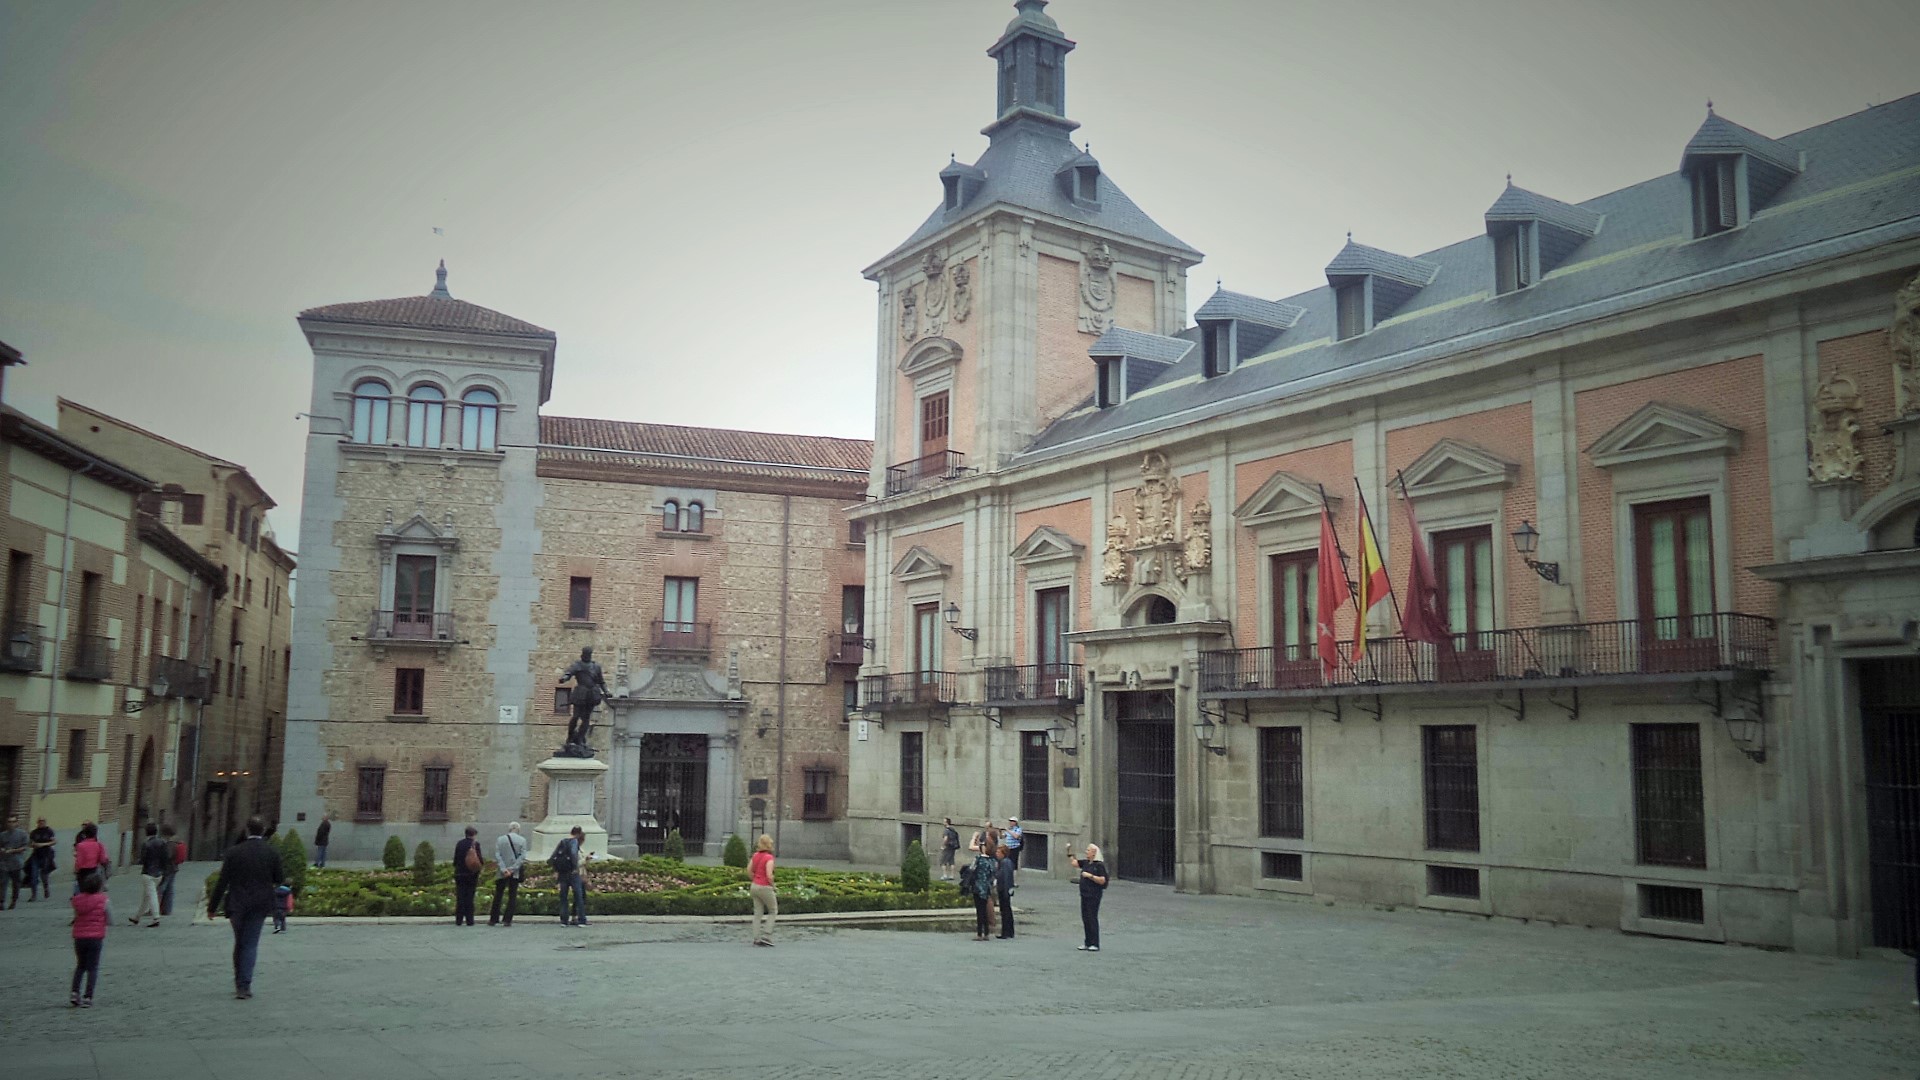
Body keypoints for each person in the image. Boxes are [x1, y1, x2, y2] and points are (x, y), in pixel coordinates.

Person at [206, 816, 284, 1000]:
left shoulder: (233, 852)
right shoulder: (271, 852)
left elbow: (222, 882)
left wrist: (212, 907)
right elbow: (279, 878)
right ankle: (245, 985)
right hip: (260, 904)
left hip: (237, 903)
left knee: (240, 942)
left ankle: (239, 982)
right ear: (263, 831)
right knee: (250, 943)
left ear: (247, 830)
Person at [69, 870, 110, 1008]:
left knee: (80, 965)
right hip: (96, 937)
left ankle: (74, 992)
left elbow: (76, 916)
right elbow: (110, 919)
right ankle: (88, 996)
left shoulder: (77, 900)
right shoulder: (104, 900)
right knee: (93, 967)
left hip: (79, 937)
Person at [1068, 843, 1108, 952]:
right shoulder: (1086, 863)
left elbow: (1102, 880)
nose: (1086, 852)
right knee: (1085, 918)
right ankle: (1087, 942)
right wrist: (1069, 852)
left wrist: (1090, 876)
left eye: (1088, 850)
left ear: (1094, 853)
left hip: (1094, 895)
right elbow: (1075, 863)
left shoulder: (1099, 865)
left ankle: (1095, 943)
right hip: (1084, 894)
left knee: (1092, 917)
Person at [131, 822, 170, 927]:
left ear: (146, 832)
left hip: (148, 873)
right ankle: (137, 917)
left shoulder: (146, 843)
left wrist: (139, 861)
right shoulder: (162, 842)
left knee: (152, 895)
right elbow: (166, 858)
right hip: (159, 873)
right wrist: (164, 870)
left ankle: (156, 917)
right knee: (146, 897)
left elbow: (143, 859)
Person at [490, 822, 526, 927]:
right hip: (514, 873)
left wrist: (504, 869)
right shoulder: (522, 840)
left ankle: (493, 919)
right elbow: (522, 857)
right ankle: (507, 920)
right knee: (512, 896)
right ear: (518, 829)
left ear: (509, 829)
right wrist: (512, 869)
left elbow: (498, 855)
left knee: (498, 895)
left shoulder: (500, 839)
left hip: (502, 872)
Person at [552, 826, 587, 926]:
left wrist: (556, 870)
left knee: (564, 897)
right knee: (578, 896)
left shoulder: (563, 841)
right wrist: (575, 867)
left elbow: (554, 856)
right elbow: (573, 855)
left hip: (563, 872)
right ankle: (581, 919)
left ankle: (564, 920)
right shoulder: (574, 842)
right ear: (578, 834)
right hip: (572, 873)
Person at [967, 835, 999, 941]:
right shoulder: (993, 861)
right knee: (985, 910)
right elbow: (994, 874)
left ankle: (979, 933)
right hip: (987, 887)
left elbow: (971, 869)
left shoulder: (978, 859)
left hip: (977, 886)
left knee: (979, 911)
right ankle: (986, 933)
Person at [749, 834, 777, 947]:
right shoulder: (769, 858)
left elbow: (749, 870)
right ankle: (767, 935)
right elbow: (769, 875)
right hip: (765, 887)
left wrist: (755, 879)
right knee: (773, 910)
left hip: (754, 886)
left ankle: (756, 938)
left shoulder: (755, 855)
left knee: (758, 913)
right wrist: (773, 885)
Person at [452, 825, 483, 927]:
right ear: (473, 835)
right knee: (470, 897)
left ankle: (459, 920)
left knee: (460, 896)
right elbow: (480, 860)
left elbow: (455, 860)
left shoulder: (459, 843)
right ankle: (470, 920)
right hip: (471, 874)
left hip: (460, 873)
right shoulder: (475, 844)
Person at [71, 823, 107, 896]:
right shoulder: (99, 845)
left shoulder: (80, 845)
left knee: (83, 892)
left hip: (83, 872)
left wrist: (76, 870)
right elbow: (103, 860)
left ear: (85, 834)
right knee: (94, 891)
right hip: (94, 870)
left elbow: (79, 862)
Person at [0, 815, 27, 909]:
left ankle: (14, 900)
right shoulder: (2, 835)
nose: (11, 824)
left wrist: (14, 850)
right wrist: (2, 850)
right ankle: (1, 901)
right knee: (3, 882)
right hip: (4, 863)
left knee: (16, 883)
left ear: (16, 823)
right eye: (9, 822)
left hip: (17, 863)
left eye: (13, 822)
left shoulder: (22, 834)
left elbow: (25, 847)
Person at [27, 818, 56, 900]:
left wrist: (43, 844)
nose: (41, 823)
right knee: (34, 875)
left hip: (46, 855)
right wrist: (33, 844)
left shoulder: (49, 831)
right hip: (36, 855)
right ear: (37, 823)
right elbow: (30, 844)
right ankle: (33, 895)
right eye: (40, 821)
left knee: (44, 875)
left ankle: (46, 888)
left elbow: (54, 841)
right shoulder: (34, 832)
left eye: (43, 821)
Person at [993, 842, 1017, 939]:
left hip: (1004, 889)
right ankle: (1009, 931)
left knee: (1005, 911)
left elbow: (1006, 877)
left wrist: (1006, 890)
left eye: (998, 852)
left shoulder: (1005, 863)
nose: (997, 854)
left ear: (1003, 853)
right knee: (1006, 910)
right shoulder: (1004, 862)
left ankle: (1006, 932)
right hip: (1004, 889)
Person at [158, 824, 183, 916]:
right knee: (170, 888)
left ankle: (156, 908)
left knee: (161, 888)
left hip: (168, 868)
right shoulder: (177, 841)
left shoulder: (170, 843)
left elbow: (168, 855)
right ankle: (167, 909)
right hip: (174, 867)